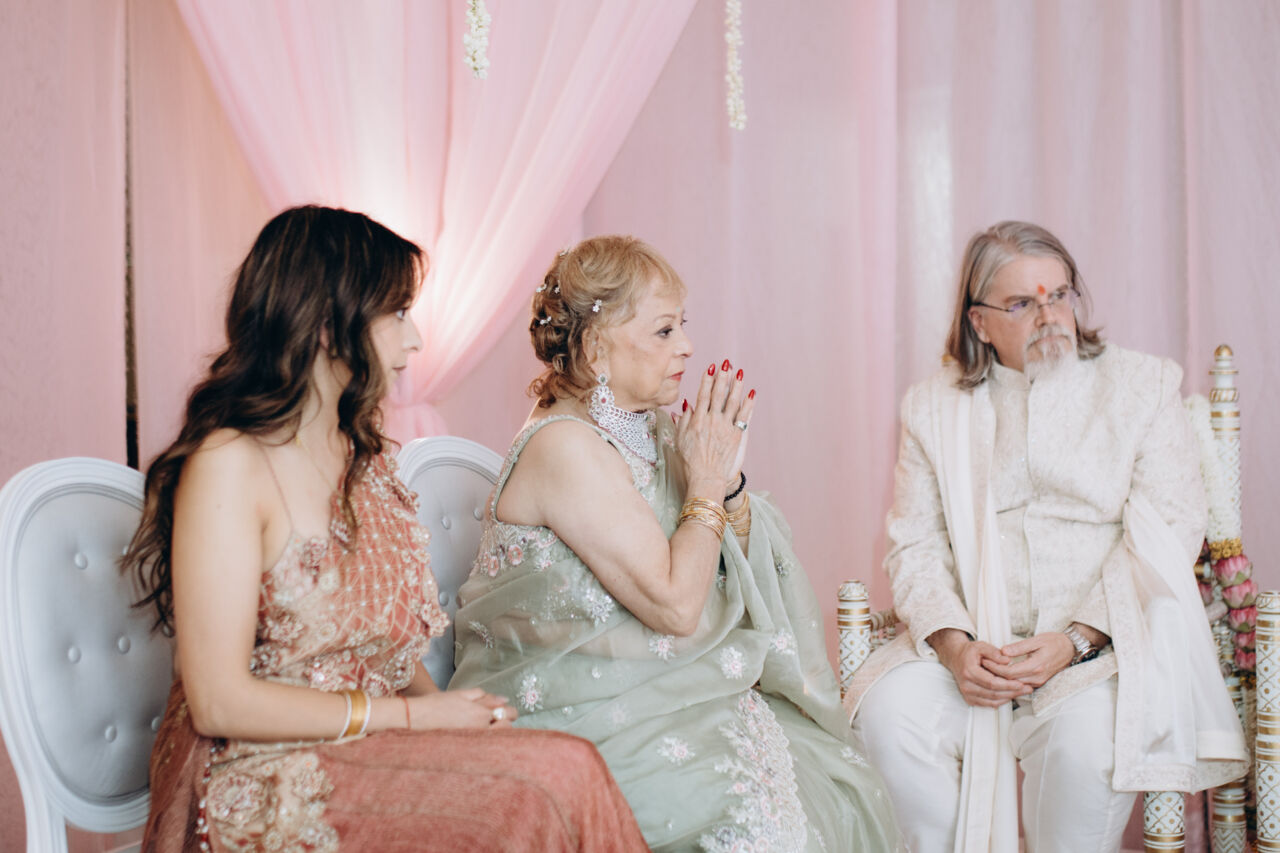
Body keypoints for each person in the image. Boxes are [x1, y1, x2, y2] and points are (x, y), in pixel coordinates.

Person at [121, 206, 648, 852]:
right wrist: (415, 717)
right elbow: (218, 701)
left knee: (564, 764)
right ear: (326, 325)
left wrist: (457, 720)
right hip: (263, 771)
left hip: (374, 744)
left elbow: (385, 656)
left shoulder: (362, 459)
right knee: (545, 784)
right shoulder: (229, 465)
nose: (416, 338)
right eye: (397, 313)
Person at [448, 235, 902, 852]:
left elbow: (721, 554)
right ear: (596, 347)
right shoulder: (565, 448)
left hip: (655, 690)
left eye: (683, 325)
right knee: (761, 826)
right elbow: (677, 606)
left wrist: (727, 484)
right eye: (664, 330)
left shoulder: (646, 427)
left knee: (833, 781)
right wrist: (707, 482)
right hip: (574, 712)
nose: (686, 345)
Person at [846, 220, 1248, 852]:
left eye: (1059, 294)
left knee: (1085, 751)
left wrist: (1076, 639)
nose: (1050, 315)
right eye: (1022, 303)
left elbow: (1169, 530)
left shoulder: (1142, 386)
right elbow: (915, 545)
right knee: (889, 716)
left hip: (1098, 653)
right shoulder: (933, 408)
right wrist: (955, 648)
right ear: (980, 323)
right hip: (972, 648)